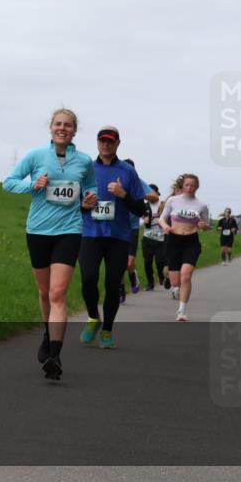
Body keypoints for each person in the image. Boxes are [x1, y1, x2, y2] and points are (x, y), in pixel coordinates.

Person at [4, 108, 98, 380]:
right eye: (58, 124)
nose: (63, 128)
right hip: (38, 230)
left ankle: (55, 355)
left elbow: (91, 187)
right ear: (51, 128)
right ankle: (48, 332)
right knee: (44, 293)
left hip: (69, 230)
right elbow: (8, 183)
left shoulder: (83, 161)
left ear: (74, 131)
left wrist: (88, 200)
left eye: (68, 125)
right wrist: (32, 186)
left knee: (58, 293)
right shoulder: (35, 156)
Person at [78, 127, 149, 349]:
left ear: (118, 143)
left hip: (118, 238)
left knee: (112, 285)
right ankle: (92, 317)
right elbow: (71, 206)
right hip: (89, 234)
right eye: (102, 141)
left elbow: (140, 209)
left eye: (110, 141)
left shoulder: (128, 171)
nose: (105, 145)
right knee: (88, 279)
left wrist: (123, 195)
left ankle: (107, 329)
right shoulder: (85, 169)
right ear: (97, 142)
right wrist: (82, 205)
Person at [157, 174, 211, 321]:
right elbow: (161, 219)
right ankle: (176, 288)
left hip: (191, 242)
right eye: (187, 185)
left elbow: (207, 225)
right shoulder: (173, 201)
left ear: (197, 187)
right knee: (176, 281)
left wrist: (203, 225)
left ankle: (181, 311)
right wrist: (166, 226)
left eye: (192, 185)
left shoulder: (201, 205)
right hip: (173, 241)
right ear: (182, 186)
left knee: (186, 276)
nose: (189, 188)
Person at [119, 159, 158, 301]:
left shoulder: (138, 182)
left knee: (129, 263)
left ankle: (133, 276)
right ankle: (121, 290)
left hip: (132, 228)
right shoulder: (115, 179)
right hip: (116, 227)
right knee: (118, 263)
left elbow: (154, 196)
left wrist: (140, 194)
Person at [140, 184, 166, 290]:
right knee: (147, 262)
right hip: (148, 237)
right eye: (147, 193)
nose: (149, 195)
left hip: (161, 238)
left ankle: (161, 276)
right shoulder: (144, 206)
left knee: (160, 261)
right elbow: (141, 218)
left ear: (156, 194)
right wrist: (144, 219)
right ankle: (150, 282)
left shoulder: (163, 204)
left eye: (151, 192)